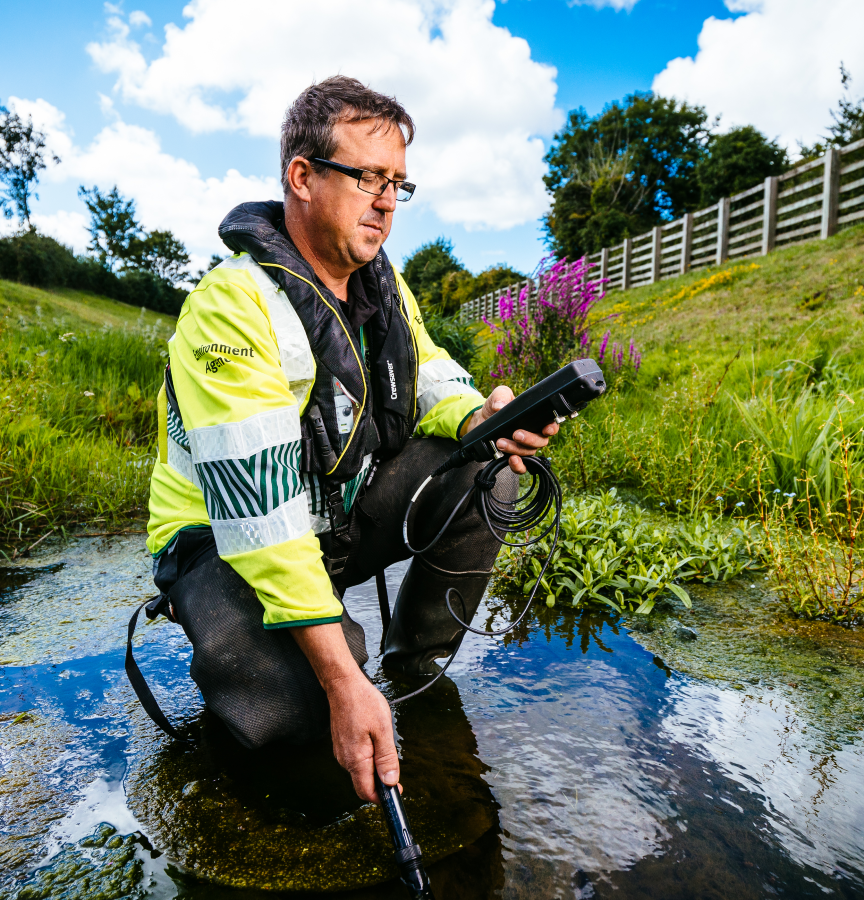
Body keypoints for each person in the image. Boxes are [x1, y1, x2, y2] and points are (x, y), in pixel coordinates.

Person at [141, 75, 557, 805]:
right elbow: (263, 521)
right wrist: (340, 678)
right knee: (303, 733)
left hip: (333, 515)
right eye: (367, 175)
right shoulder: (231, 308)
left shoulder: (383, 290)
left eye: (398, 182)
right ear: (301, 177)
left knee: (490, 471)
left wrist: (478, 416)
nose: (388, 200)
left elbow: (428, 372)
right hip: (223, 541)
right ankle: (286, 692)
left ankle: (410, 679)